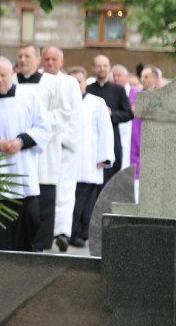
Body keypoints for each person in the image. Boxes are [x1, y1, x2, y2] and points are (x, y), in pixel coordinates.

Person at [0, 56, 50, 252]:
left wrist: (21, 141)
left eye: (3, 75)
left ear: (12, 74)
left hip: (23, 170)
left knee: (26, 233)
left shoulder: (29, 96)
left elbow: (43, 128)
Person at [14, 44, 72, 252]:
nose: (23, 60)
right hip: (17, 150)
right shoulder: (10, 82)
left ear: (37, 59)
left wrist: (39, 124)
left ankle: (40, 245)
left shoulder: (52, 83)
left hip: (45, 151)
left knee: (43, 200)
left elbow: (65, 113)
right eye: (20, 56)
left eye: (27, 56)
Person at [40, 46, 83, 253]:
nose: (50, 63)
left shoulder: (70, 83)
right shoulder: (37, 82)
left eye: (53, 59)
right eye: (46, 59)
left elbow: (75, 114)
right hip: (41, 146)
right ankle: (43, 231)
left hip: (63, 145)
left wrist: (61, 139)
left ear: (61, 61)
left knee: (64, 190)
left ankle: (62, 233)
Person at [67, 66, 114, 247]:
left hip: (89, 160)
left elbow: (105, 131)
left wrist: (105, 156)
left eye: (78, 81)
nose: (76, 85)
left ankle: (80, 234)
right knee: (71, 200)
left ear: (85, 82)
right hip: (68, 161)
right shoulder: (65, 102)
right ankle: (69, 233)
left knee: (86, 202)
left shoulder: (96, 103)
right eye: (72, 82)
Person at [85, 54, 133, 185]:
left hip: (113, 137)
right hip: (92, 139)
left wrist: (111, 114)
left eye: (105, 66)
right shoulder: (88, 90)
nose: (102, 69)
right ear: (93, 68)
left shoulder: (118, 90)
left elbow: (128, 114)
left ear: (109, 68)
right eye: (99, 66)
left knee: (111, 177)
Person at [111, 64, 137, 172]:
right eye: (114, 75)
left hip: (131, 130)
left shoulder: (136, 93)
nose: (116, 78)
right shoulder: (111, 91)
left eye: (119, 75)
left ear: (127, 77)